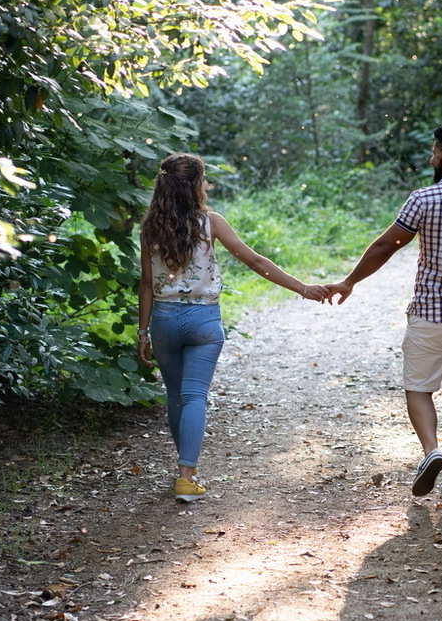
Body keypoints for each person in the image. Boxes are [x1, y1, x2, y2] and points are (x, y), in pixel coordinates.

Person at [326, 122, 442, 499]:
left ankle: (431, 450)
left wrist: (350, 281)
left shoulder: (424, 199)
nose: (431, 159)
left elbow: (387, 245)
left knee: (418, 389)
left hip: (430, 313)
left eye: (434, 153)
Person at [137, 153, 330, 502]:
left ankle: (185, 475)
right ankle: (186, 476)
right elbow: (255, 260)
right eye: (203, 180)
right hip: (203, 321)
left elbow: (147, 283)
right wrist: (302, 288)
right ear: (196, 184)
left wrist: (142, 332)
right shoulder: (211, 223)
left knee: (176, 396)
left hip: (164, 320)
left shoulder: (150, 228)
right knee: (195, 396)